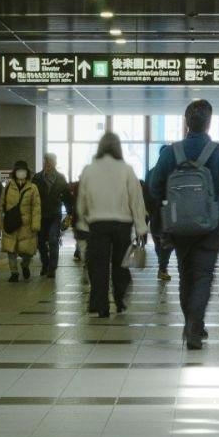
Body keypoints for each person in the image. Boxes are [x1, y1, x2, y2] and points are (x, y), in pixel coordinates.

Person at [146, 98, 219, 350]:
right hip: (210, 227)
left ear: (186, 123)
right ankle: (194, 325)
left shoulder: (171, 152)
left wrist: (163, 214)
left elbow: (154, 186)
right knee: (203, 275)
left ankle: (192, 323)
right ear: (209, 122)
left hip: (178, 227)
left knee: (185, 275)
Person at [76, 129, 151, 317]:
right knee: (121, 265)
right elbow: (136, 200)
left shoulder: (89, 169)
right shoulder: (126, 169)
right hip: (122, 225)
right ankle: (120, 300)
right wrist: (141, 227)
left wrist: (82, 225)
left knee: (98, 266)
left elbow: (82, 200)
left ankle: (100, 306)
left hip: (97, 224)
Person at [0, 159, 43, 281]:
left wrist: (36, 223)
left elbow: (36, 207)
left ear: (27, 172)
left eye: (23, 170)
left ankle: (25, 265)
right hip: (11, 223)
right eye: (18, 170)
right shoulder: (8, 186)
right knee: (11, 249)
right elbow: (1, 204)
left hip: (26, 225)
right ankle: (14, 272)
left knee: (27, 251)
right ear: (15, 172)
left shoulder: (33, 188)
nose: (21, 172)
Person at [37, 151, 71, 278]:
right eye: (46, 161)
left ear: (55, 163)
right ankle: (45, 263)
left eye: (50, 161)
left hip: (55, 215)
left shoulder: (60, 178)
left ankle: (52, 267)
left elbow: (67, 196)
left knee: (52, 240)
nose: (47, 164)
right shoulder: (37, 178)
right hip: (40, 215)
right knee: (40, 242)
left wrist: (69, 213)